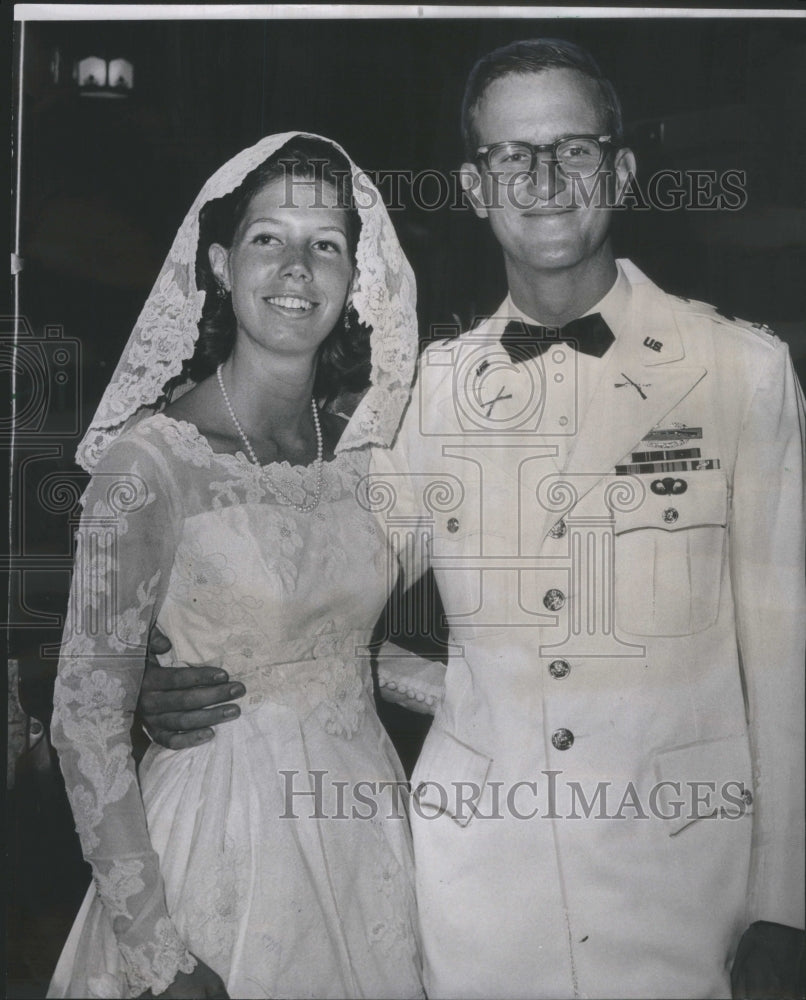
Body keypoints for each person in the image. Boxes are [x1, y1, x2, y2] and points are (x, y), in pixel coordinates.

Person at [139, 41, 806, 999]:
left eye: (572, 149)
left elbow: (786, 667)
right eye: (510, 156)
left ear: (618, 171)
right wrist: (174, 676)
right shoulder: (433, 392)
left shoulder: (742, 371)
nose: (541, 179)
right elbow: (326, 595)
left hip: (690, 890)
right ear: (474, 185)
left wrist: (786, 905)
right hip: (475, 898)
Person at [47, 133, 425, 999]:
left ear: (356, 277)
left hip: (368, 825)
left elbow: (351, 643)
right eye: (269, 238)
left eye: (325, 243)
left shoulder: (366, 452)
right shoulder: (151, 464)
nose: (297, 266)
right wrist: (158, 955)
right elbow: (84, 721)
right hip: (223, 839)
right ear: (219, 262)